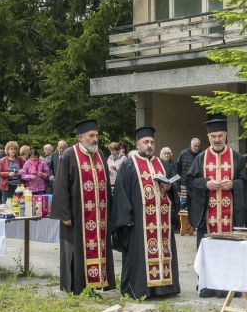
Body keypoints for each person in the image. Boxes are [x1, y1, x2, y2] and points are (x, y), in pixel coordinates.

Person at [185, 116, 247, 298]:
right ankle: (207, 285)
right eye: (213, 136)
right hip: (208, 217)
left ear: (226, 136)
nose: (216, 139)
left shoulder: (236, 158)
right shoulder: (201, 158)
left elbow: (246, 184)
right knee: (209, 251)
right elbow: (190, 181)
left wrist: (233, 185)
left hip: (231, 217)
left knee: (231, 251)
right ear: (208, 137)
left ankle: (231, 286)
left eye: (220, 136)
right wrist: (206, 184)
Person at [112, 126, 180, 299]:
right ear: (138, 144)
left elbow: (174, 187)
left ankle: (165, 288)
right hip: (139, 222)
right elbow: (121, 193)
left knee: (164, 251)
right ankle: (140, 289)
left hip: (162, 222)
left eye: (152, 142)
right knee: (139, 256)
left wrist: (170, 187)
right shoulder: (128, 165)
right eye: (145, 142)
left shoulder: (164, 165)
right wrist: (125, 219)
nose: (149, 145)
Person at [50, 119, 114, 295]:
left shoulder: (100, 154)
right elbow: (61, 187)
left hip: (98, 218)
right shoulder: (70, 155)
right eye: (91, 136)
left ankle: (94, 286)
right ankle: (77, 289)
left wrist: (109, 213)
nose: (95, 139)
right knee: (76, 253)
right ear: (81, 137)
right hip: (78, 216)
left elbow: (106, 186)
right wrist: (65, 215)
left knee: (98, 251)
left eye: (96, 135)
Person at [176, 138, 201, 212]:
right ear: (191, 145)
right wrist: (178, 185)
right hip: (184, 184)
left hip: (197, 185)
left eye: (198, 146)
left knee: (196, 205)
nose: (196, 148)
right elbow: (178, 170)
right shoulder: (183, 154)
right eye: (195, 146)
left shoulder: (202, 155)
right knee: (183, 205)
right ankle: (183, 223)